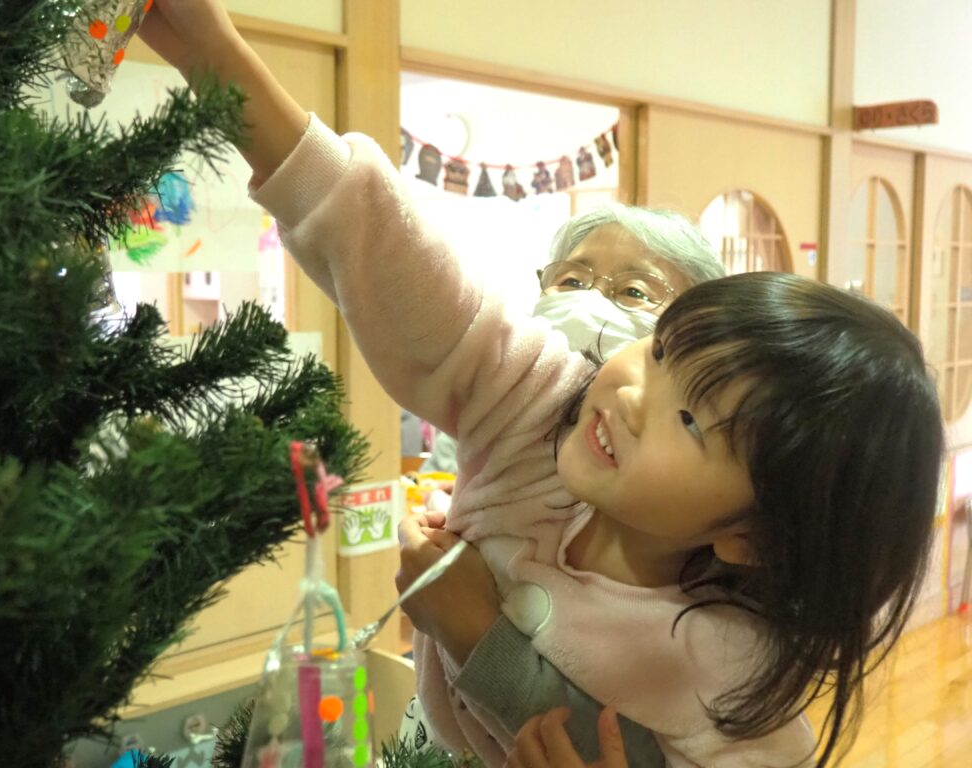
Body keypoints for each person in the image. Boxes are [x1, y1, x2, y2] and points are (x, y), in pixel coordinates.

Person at [138, 5, 945, 768]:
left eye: (692, 420)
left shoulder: (736, 668)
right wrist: (214, 52)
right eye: (662, 351)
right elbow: (388, 250)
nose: (629, 392)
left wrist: (477, 633)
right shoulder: (542, 406)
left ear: (749, 535)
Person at [421, 203, 725, 475]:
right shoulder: (496, 397)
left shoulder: (680, 456)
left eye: (634, 291)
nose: (588, 299)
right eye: (573, 281)